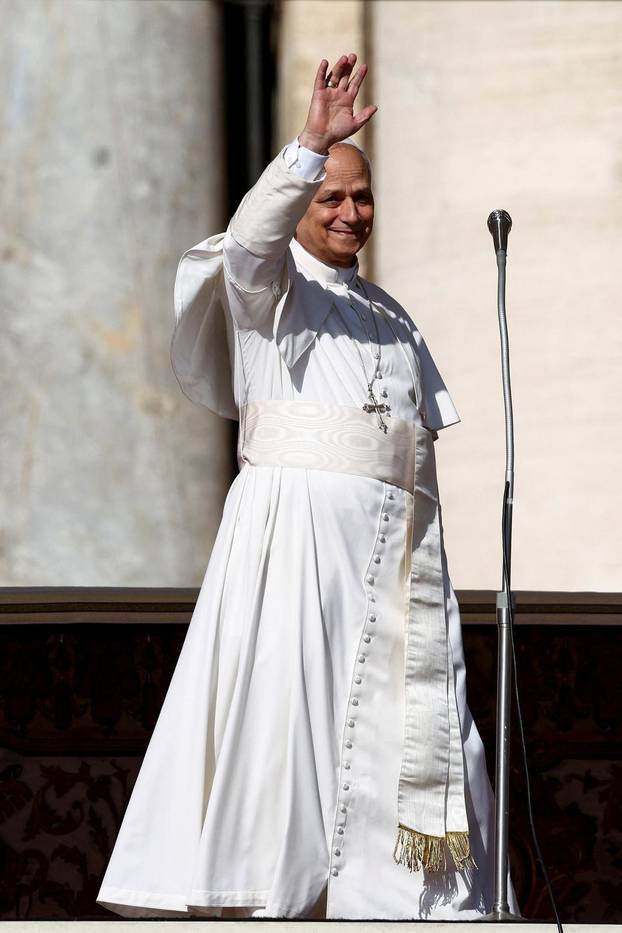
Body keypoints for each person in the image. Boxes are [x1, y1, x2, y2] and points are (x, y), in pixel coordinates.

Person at [96, 53, 520, 920]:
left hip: (397, 576)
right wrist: (307, 149)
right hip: (296, 564)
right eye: (331, 198)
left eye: (360, 197)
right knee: (295, 739)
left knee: (407, 743)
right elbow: (251, 239)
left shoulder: (391, 316)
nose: (351, 213)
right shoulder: (270, 296)